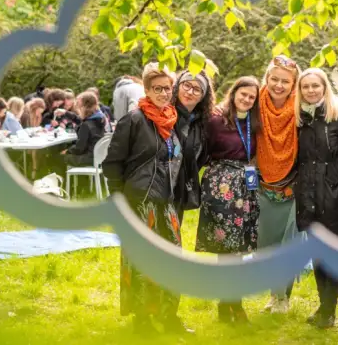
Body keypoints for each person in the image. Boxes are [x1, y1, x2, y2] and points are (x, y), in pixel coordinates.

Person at [102, 63, 193, 335]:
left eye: (167, 88)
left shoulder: (173, 121)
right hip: (140, 202)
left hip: (167, 203)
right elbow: (112, 164)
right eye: (157, 89)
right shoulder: (133, 120)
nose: (163, 93)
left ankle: (169, 315)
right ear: (147, 89)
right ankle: (142, 319)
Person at [196, 76, 261, 324]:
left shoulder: (254, 122)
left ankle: (226, 304)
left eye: (252, 97)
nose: (247, 99)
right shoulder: (216, 119)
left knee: (239, 248)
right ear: (233, 93)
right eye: (243, 94)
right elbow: (202, 151)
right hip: (221, 187)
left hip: (245, 187)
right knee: (227, 248)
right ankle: (235, 304)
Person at [294, 68, 338, 329]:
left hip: (334, 194)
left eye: (315, 85)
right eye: (305, 86)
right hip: (308, 193)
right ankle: (323, 306)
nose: (310, 90)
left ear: (324, 87)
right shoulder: (301, 119)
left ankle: (329, 309)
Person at [256, 55, 302, 313]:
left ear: (293, 84)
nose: (279, 85)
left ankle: (283, 297)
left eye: (285, 81)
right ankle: (274, 294)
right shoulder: (256, 102)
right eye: (274, 79)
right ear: (267, 78)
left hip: (292, 185)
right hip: (262, 183)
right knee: (266, 243)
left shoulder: (301, 106)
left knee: (288, 243)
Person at [171, 70, 214, 216]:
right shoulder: (163, 113)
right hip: (156, 187)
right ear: (177, 86)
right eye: (186, 85)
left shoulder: (203, 123)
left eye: (196, 89)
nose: (189, 92)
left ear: (203, 96)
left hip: (181, 190)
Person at [63, 92, 107, 167]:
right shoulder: (100, 119)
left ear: (84, 108)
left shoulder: (86, 125)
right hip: (100, 157)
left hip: (89, 159)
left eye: (79, 107)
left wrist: (67, 150)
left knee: (59, 157)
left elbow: (79, 149)